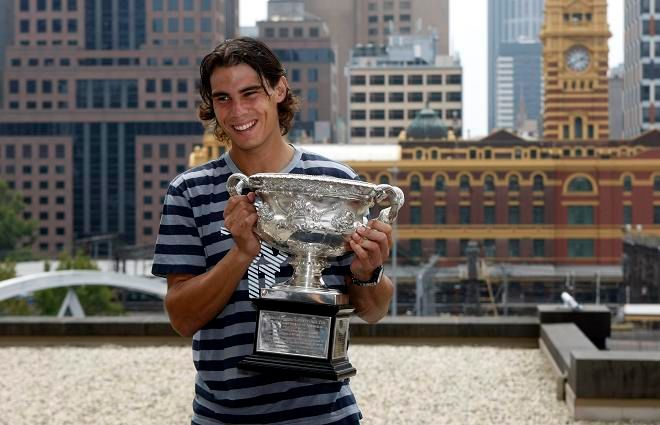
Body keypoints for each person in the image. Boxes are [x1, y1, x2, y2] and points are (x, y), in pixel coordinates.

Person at [152, 37, 394, 425]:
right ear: (211, 106)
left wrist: (369, 272)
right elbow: (182, 318)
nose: (238, 111)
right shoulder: (189, 191)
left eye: (251, 93)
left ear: (279, 89)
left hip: (324, 415)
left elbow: (375, 310)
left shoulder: (337, 182)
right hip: (223, 416)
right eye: (223, 98)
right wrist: (240, 254)